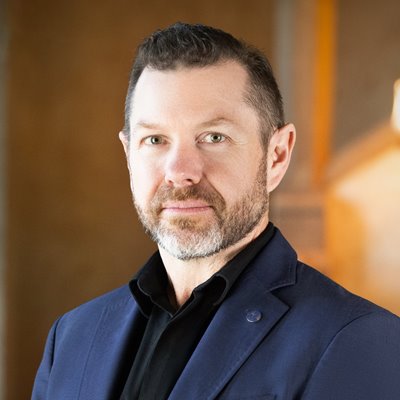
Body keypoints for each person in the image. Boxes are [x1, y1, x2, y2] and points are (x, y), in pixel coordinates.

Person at [32, 22, 400, 400]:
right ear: (129, 155)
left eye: (213, 137)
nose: (180, 171)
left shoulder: (361, 341)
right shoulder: (71, 338)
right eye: (155, 139)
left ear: (276, 155)